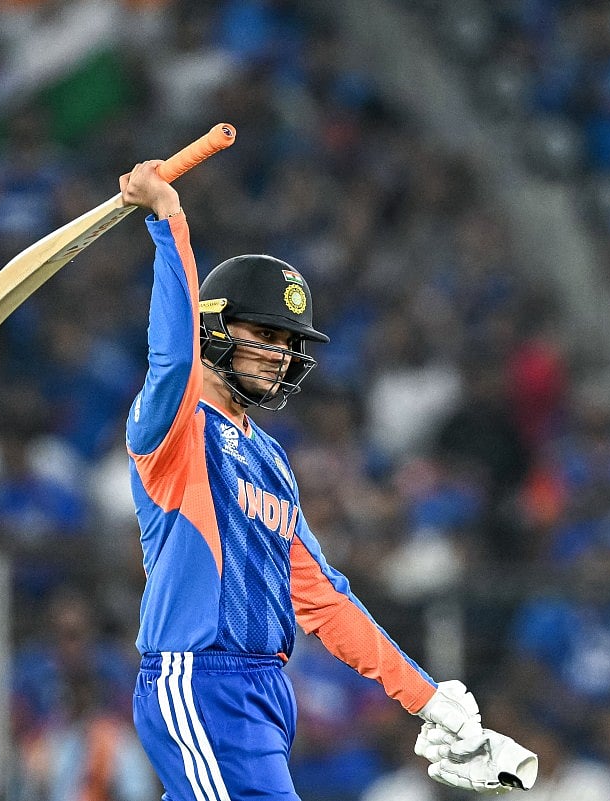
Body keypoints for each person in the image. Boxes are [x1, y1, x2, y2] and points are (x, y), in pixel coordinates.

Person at [116, 160, 539, 799]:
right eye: (263, 334)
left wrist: (428, 701)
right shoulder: (172, 430)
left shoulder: (271, 460)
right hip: (199, 679)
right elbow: (172, 356)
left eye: (287, 342)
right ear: (213, 327)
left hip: (264, 691)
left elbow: (322, 598)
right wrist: (167, 219)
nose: (279, 354)